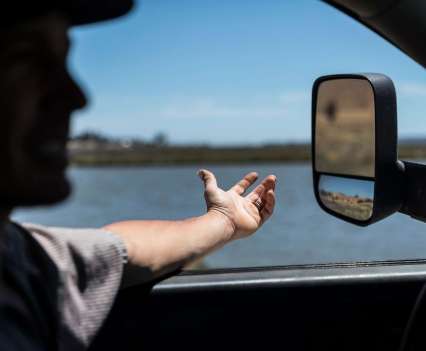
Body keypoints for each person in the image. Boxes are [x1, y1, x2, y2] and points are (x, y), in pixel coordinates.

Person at [0, 1, 277, 350]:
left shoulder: (20, 260)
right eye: (26, 59)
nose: (76, 96)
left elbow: (122, 251)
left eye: (62, 60)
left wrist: (224, 220)